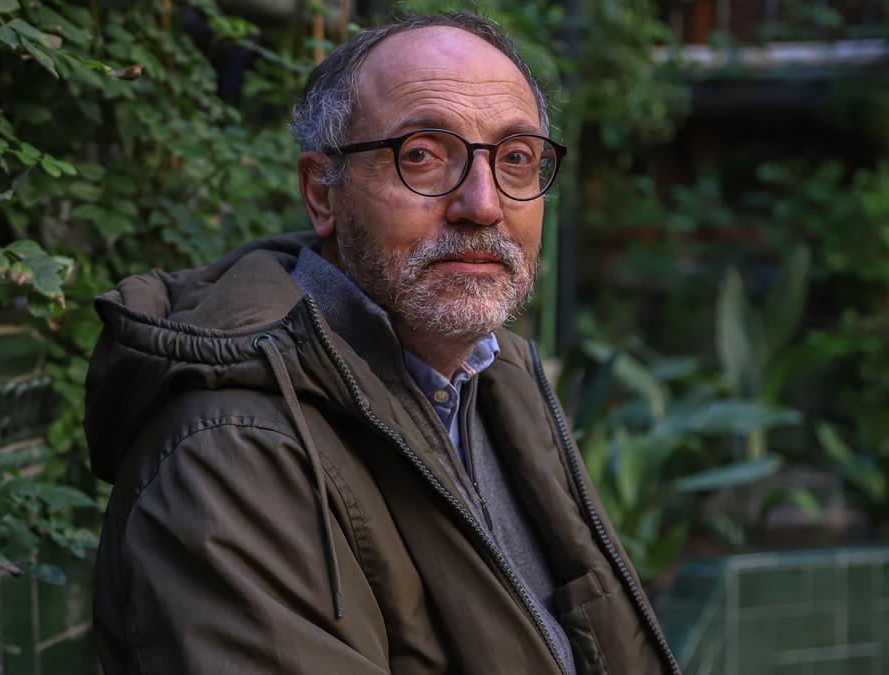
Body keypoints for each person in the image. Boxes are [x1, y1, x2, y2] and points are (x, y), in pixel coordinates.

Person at [85, 12, 679, 674]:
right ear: (322, 193)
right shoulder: (231, 449)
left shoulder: (497, 380)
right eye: (422, 154)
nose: (482, 204)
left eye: (515, 158)